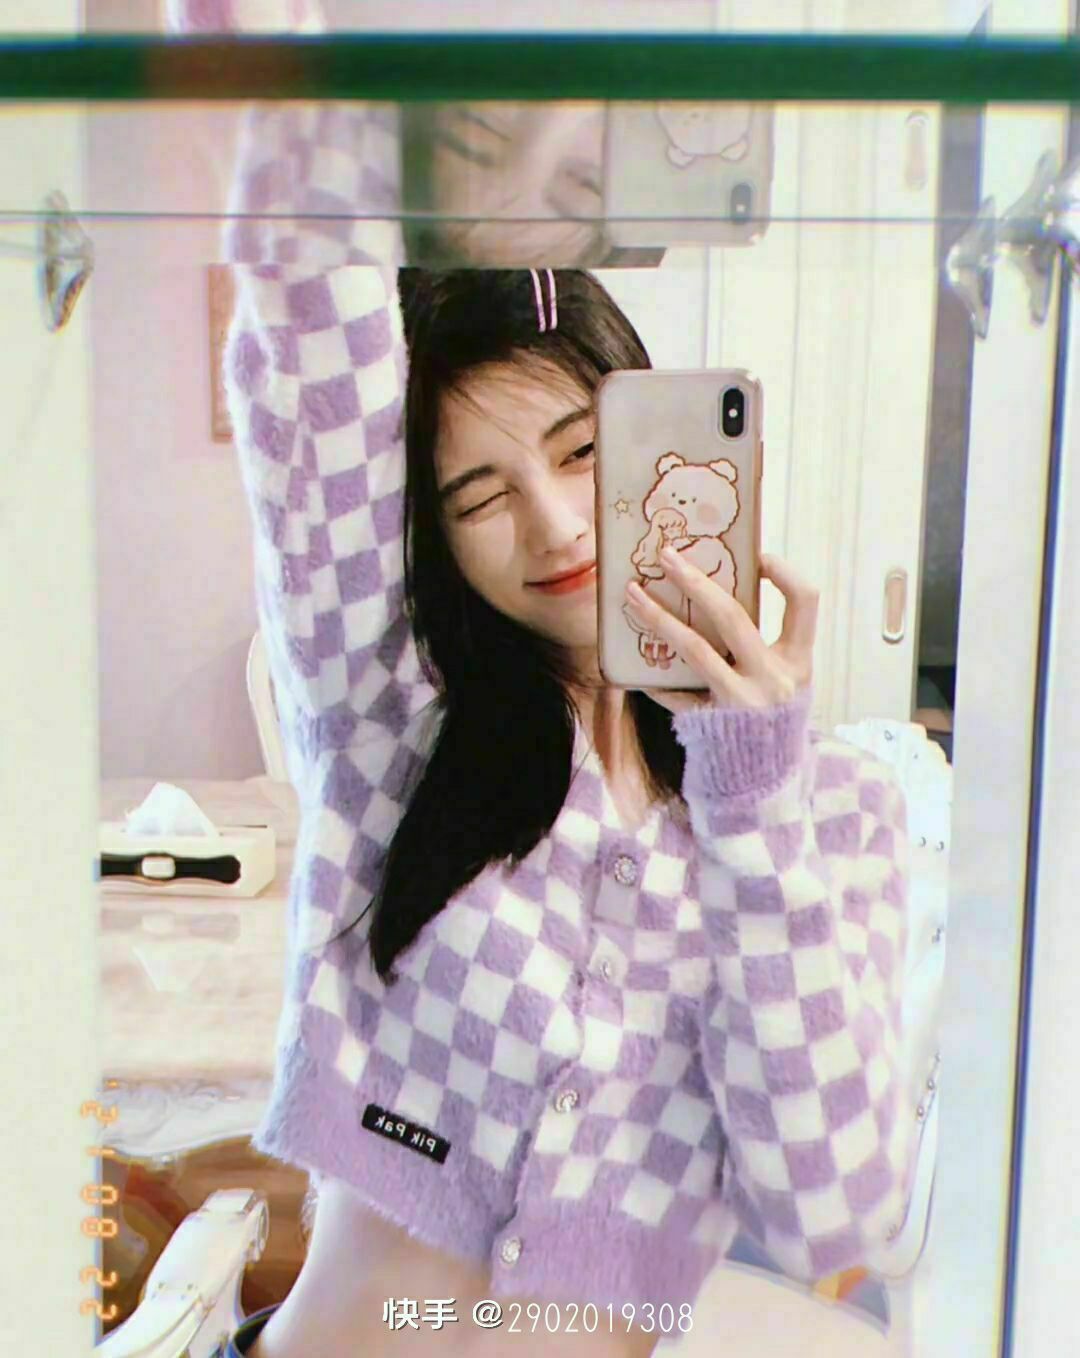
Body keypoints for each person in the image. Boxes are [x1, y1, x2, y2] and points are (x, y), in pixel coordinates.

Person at [164, 8, 917, 1358]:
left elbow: (834, 1215)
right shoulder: (395, 715)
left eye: (579, 451)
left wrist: (751, 795)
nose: (557, 526)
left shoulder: (833, 813)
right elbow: (308, 344)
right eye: (479, 494)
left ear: (652, 428)